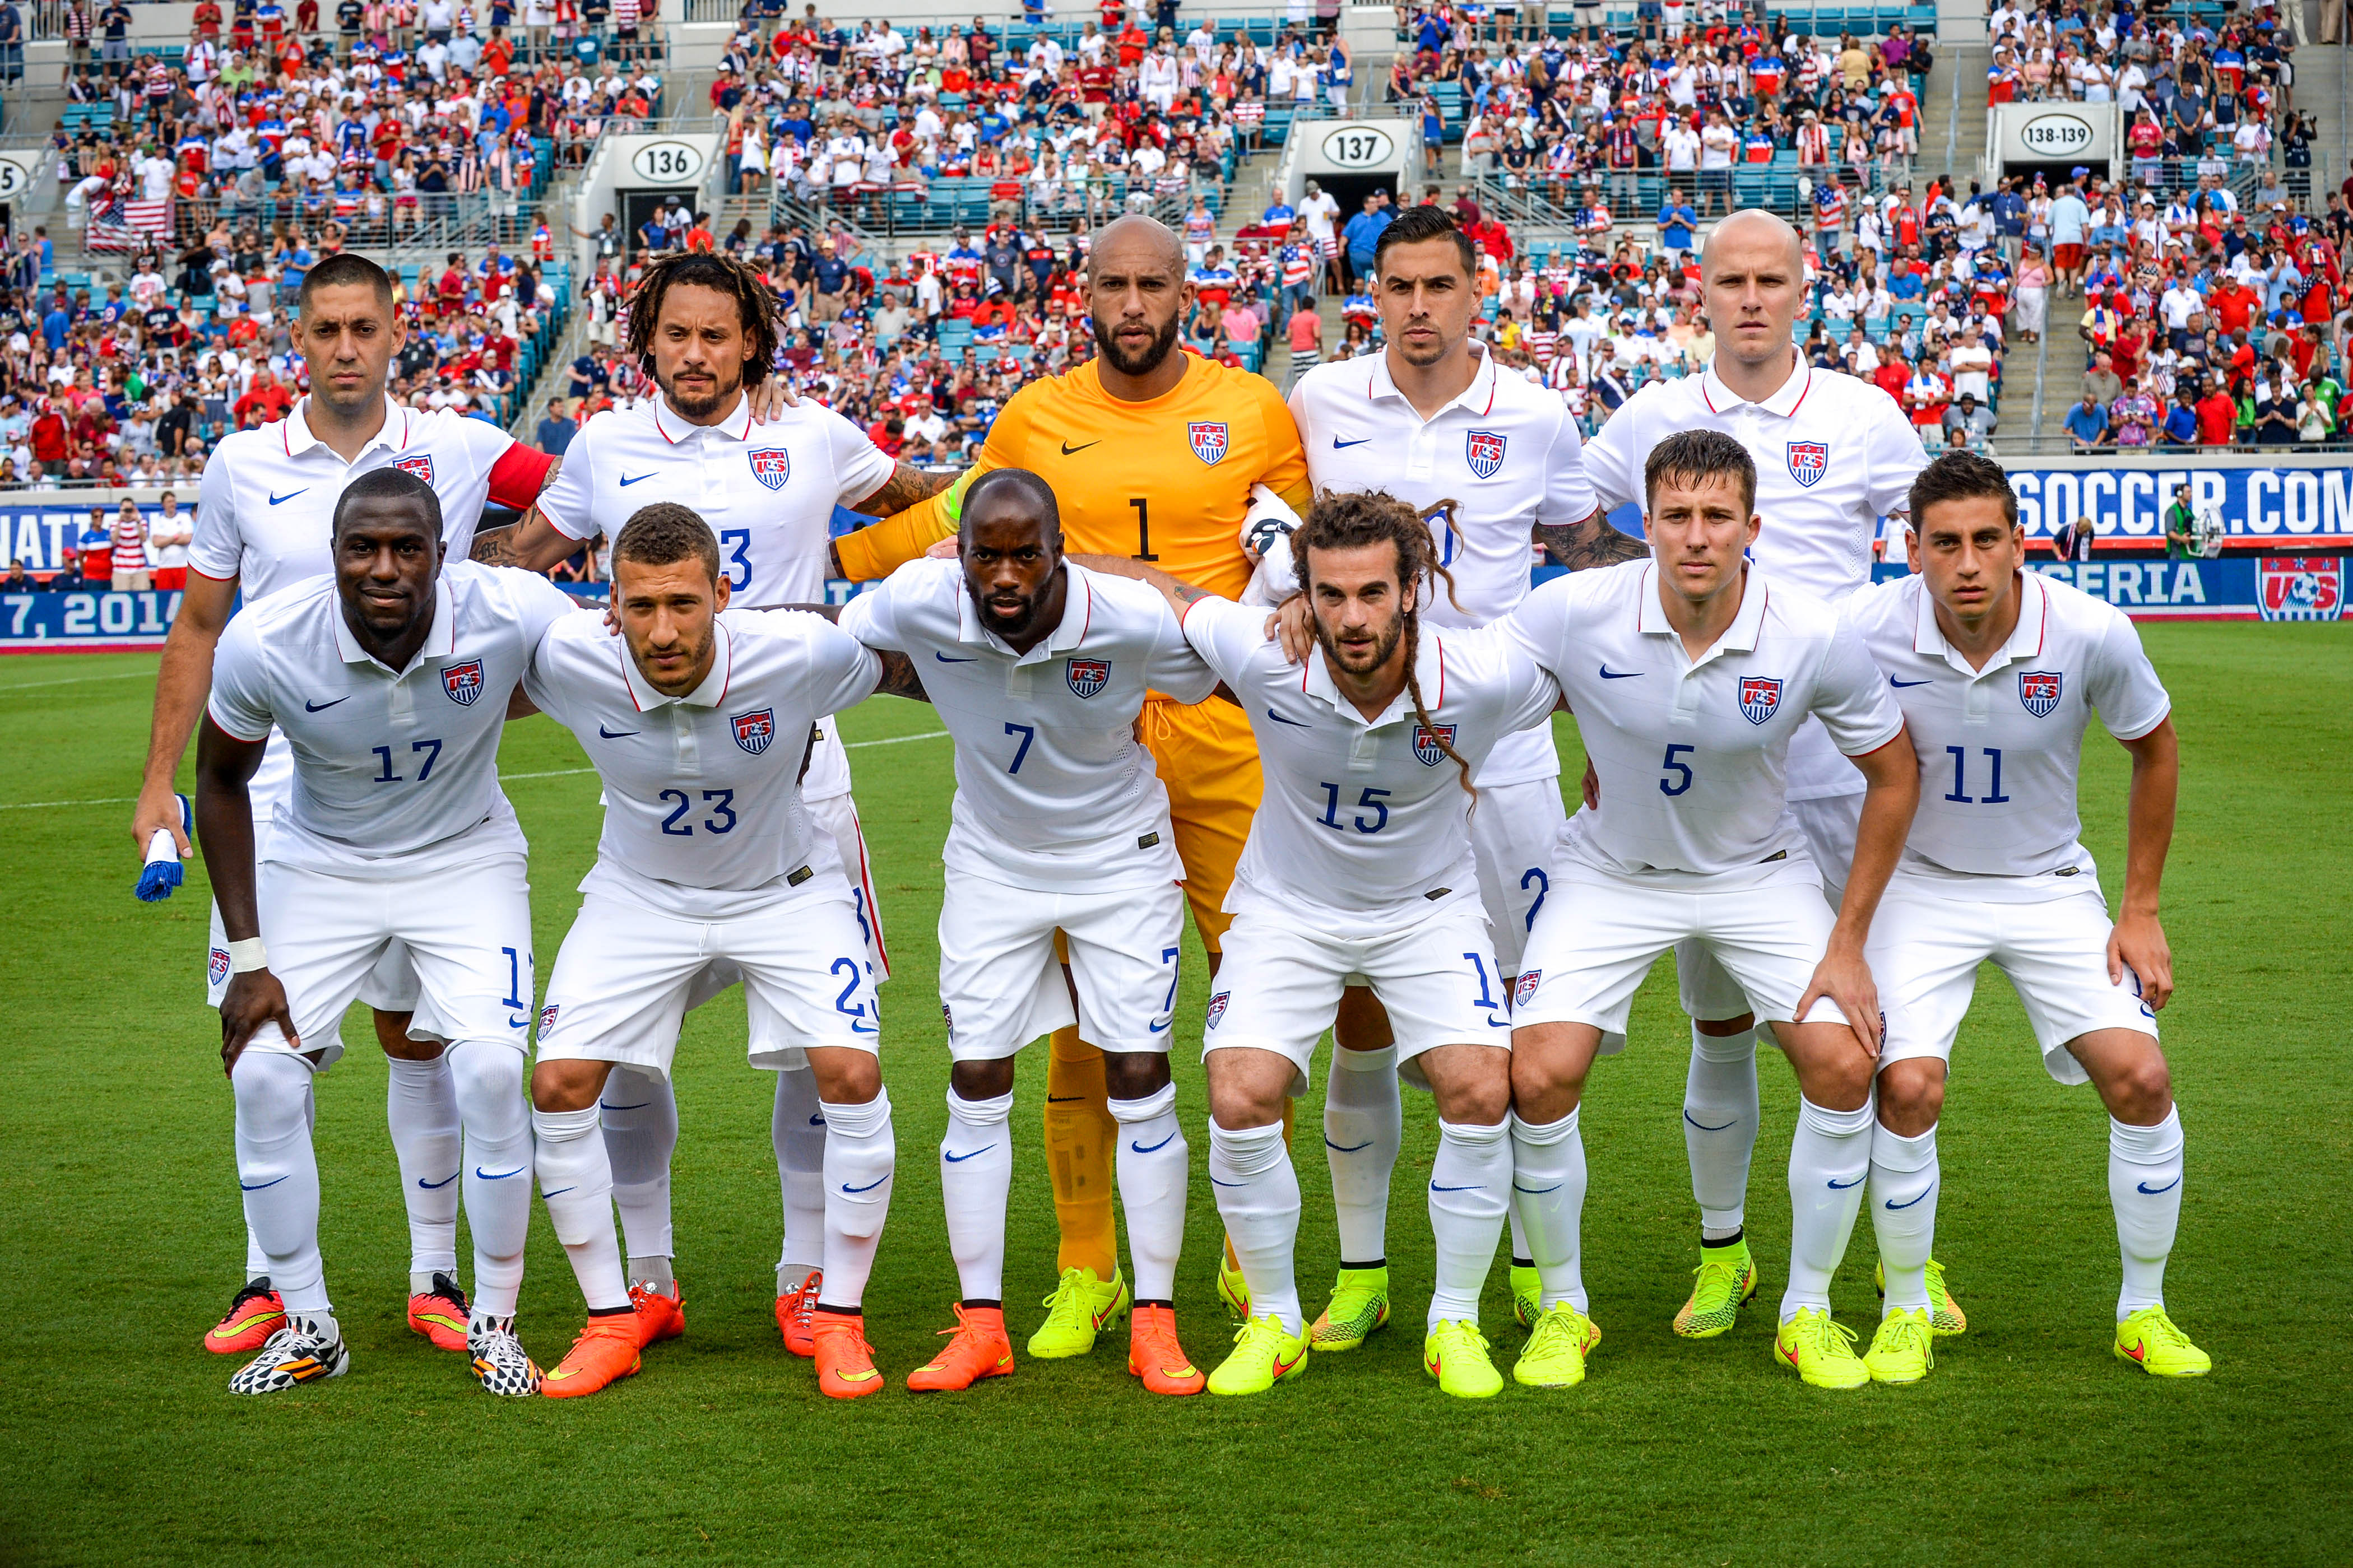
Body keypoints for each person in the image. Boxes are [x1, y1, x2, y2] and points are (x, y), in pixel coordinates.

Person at [830, 215, 1314, 1357]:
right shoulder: (1034, 417)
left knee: (1257, 995)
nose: (1134, 304)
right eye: (1114, 285)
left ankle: (1251, 1260)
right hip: (1080, 731)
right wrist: (835, 554)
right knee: (1071, 1032)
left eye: (1155, 284)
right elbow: (950, 532)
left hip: (1218, 733)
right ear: (1082, 293)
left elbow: (1285, 555)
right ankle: (1082, 1268)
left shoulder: (1251, 408)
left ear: (1187, 293)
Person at [485, 248, 943, 1355]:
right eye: (675, 334)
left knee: (809, 1045)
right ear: (649, 339)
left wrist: (1009, 483)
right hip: (658, 748)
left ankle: (802, 1274)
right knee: (624, 1048)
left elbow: (915, 508)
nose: (694, 354)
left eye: (715, 336)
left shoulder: (814, 433)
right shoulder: (603, 443)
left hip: (793, 744)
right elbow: (525, 556)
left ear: (752, 345)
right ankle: (647, 1278)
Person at [135, 252, 564, 1364]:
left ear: (391, 332)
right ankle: (274, 1287)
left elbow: (576, 492)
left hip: (430, 784)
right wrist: (157, 782)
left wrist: (484, 654)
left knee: (424, 1039)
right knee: (261, 1047)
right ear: (300, 335)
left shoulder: (461, 445)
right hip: (283, 804)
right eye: (323, 327)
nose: (343, 345)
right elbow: (199, 627)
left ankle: (436, 1275)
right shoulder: (241, 464)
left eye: (361, 326)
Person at [1101, 490, 1560, 1398]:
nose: (1351, 617)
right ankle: (1273, 1318)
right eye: (1329, 594)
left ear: (1412, 588)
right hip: (1288, 907)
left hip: (1426, 906)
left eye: (1371, 593)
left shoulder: (1478, 674)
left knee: (1478, 1085)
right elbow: (1148, 588)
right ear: (1301, 593)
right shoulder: (1264, 654)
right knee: (1237, 1091)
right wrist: (1020, 561)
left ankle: (1452, 1319)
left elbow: (1600, 665)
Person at [1277, 203, 1637, 1342]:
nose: (1419, 308)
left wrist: (1604, 723)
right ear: (1368, 296)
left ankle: (1540, 1275)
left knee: (1533, 1025)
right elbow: (1286, 539)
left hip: (1502, 740)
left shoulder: (1533, 413)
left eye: (1440, 286)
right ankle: (1362, 1271)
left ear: (1477, 294)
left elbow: (1588, 562)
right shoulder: (1320, 398)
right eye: (1399, 288)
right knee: (1360, 1010)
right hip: (1364, 743)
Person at [1501, 430, 1920, 1390]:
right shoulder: (1570, 610)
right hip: (1608, 870)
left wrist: (1847, 940)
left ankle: (1803, 1309)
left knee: (1842, 1059)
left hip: (1753, 873)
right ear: (1641, 525)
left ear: (1751, 526)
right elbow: (1459, 680)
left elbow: (1892, 774)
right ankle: (1563, 1306)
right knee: (1537, 1074)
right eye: (1676, 516)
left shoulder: (1808, 631)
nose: (1695, 536)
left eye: (1715, 516)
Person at [1576, 210, 1928, 1342]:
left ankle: (1895, 1262)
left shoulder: (1863, 416)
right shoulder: (1651, 414)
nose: (1747, 298)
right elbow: (1581, 533)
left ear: (1800, 287)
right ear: (1700, 290)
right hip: (1705, 778)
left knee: (1872, 1021)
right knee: (1719, 1022)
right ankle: (1722, 1251)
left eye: (1767, 279)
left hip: (1838, 772)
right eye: (1727, 279)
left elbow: (1926, 552)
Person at [519, 502, 926, 1399]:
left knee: (850, 1074)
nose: (663, 631)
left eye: (684, 604)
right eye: (640, 607)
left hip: (786, 891)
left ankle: (834, 1311)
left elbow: (918, 662)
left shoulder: (798, 653)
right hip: (639, 897)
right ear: (607, 605)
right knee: (558, 1085)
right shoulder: (567, 659)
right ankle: (622, 1308)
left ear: (723, 596)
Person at [193, 467, 577, 1398]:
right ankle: (308, 1323)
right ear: (331, 554)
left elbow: (625, 658)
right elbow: (218, 782)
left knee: (488, 1068)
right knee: (263, 1071)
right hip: (319, 862)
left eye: (409, 546)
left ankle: (493, 1320)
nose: (384, 566)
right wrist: (249, 958)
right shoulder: (267, 640)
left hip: (464, 856)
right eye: (361, 546)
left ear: (445, 554)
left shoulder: (511, 606)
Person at [837, 469, 1215, 1396]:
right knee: (975, 1077)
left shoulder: (1125, 616)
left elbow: (1205, 670)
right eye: (983, 554)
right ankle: (979, 1324)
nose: (1003, 575)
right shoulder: (917, 596)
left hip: (1118, 857)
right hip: (992, 861)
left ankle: (1153, 1322)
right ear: (956, 553)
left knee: (1138, 1073)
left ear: (1058, 549)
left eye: (1025, 553)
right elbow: (835, 646)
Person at [1847, 450, 2204, 1381]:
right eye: (1943, 543)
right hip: (1919, 888)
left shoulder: (2087, 630)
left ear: (2016, 544)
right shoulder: (1862, 627)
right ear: (1910, 549)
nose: (1964, 562)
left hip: (2048, 886)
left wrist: (2139, 909)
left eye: (1983, 540)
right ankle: (1901, 1305)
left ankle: (2142, 1309)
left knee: (2140, 1079)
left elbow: (2153, 749)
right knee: (1907, 1088)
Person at [147, 491, 193, 590]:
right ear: (163, 504)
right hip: (165, 566)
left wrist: (165, 539)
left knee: (183, 596)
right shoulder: (158, 521)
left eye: (173, 501)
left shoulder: (184, 517)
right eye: (169, 502)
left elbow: (188, 539)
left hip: (182, 565)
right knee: (164, 598)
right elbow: (156, 543)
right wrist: (176, 537)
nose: (172, 504)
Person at [109, 496, 150, 592]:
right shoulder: (115, 523)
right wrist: (120, 520)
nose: (128, 513)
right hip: (121, 570)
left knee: (142, 600)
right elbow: (114, 540)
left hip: (140, 569)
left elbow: (143, 538)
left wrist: (137, 520)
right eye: (125, 510)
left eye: (129, 509)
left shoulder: (142, 522)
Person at [2164, 486, 2198, 558]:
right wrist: (2181, 539)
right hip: (2178, 555)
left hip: (2190, 554)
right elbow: (2170, 532)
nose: (2191, 494)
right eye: (2188, 492)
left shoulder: (2189, 511)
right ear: (2180, 494)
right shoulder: (2172, 511)